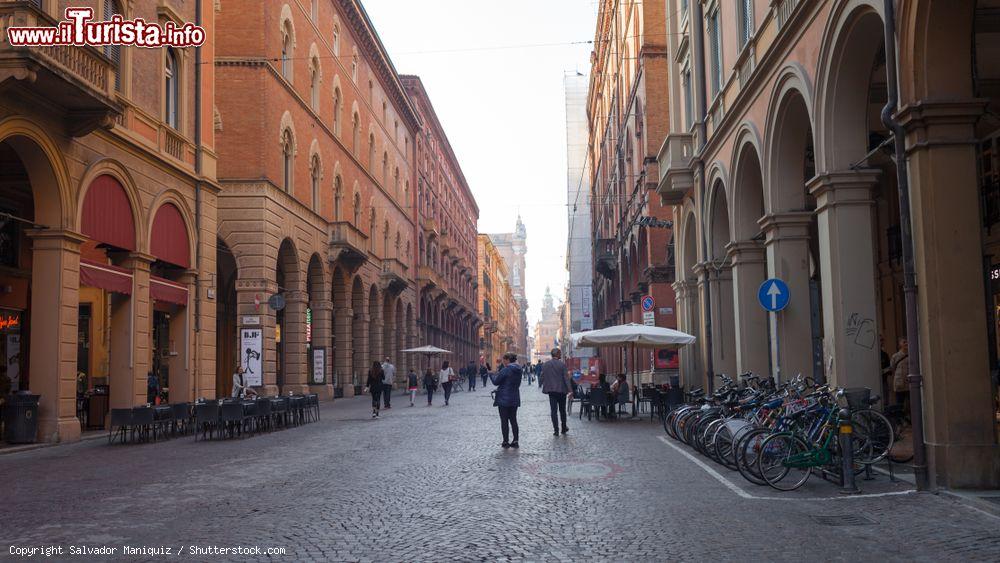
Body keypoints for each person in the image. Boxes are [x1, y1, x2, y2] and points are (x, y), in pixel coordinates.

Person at [490, 352, 522, 448]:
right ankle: (515, 441)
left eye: (504, 359)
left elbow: (496, 382)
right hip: (514, 397)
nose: (503, 362)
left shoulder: (506, 369)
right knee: (513, 420)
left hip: (504, 398)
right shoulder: (519, 369)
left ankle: (505, 441)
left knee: (504, 420)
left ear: (507, 360)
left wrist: (491, 374)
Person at [541, 348, 571, 436]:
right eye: (560, 353)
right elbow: (566, 379)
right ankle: (564, 428)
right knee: (562, 410)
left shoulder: (546, 365)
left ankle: (556, 430)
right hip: (561, 390)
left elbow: (542, 377)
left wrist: (547, 383)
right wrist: (570, 390)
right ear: (557, 354)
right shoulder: (562, 364)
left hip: (551, 391)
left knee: (553, 410)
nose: (561, 354)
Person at [890, 338, 909, 408]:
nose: (906, 343)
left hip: (909, 383)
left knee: (911, 403)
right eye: (904, 342)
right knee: (899, 403)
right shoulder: (895, 356)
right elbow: (892, 368)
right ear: (900, 344)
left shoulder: (911, 355)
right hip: (899, 383)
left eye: (907, 342)